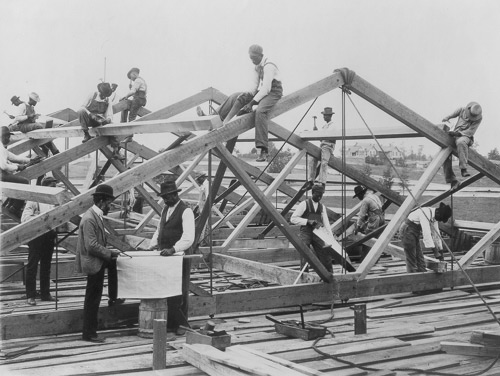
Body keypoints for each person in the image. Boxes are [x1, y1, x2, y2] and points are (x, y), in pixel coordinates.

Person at [197, 44, 282, 162]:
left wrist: (252, 103)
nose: (252, 60)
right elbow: (254, 87)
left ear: (261, 55)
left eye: (254, 58)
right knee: (234, 96)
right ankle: (212, 118)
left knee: (260, 112)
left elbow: (266, 88)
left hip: (273, 92)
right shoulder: (256, 67)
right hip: (263, 91)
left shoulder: (269, 66)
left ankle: (263, 150)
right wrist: (246, 96)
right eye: (250, 58)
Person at [145, 180, 195, 334]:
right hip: (166, 257)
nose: (165, 199)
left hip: (179, 256)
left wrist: (173, 249)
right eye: (164, 197)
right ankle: (171, 322)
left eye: (168, 196)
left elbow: (188, 237)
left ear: (175, 194)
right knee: (168, 289)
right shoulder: (165, 210)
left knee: (181, 290)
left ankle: (182, 325)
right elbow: (159, 229)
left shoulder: (186, 211)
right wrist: (152, 245)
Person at [76, 184, 122, 343]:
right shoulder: (89, 219)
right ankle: (89, 333)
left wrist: (110, 255)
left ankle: (114, 296)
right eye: (109, 203)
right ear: (102, 201)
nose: (110, 206)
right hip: (93, 263)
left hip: (97, 260)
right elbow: (91, 245)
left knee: (114, 263)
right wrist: (109, 253)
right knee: (92, 299)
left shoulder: (96, 216)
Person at [21, 176, 60, 305]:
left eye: (55, 187)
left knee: (46, 266)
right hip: (36, 236)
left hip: (49, 235)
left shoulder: (55, 201)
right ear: (45, 187)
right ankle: (30, 295)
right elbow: (25, 218)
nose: (54, 189)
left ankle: (45, 293)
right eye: (52, 187)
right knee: (32, 266)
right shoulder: (34, 200)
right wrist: (39, 217)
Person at [290, 184, 334, 273]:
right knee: (305, 250)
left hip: (318, 232)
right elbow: (293, 219)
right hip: (306, 232)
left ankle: (329, 274)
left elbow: (326, 223)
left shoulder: (322, 207)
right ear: (312, 193)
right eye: (317, 194)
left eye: (321, 195)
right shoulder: (304, 204)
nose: (319, 197)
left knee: (324, 251)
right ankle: (304, 273)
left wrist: (330, 238)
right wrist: (307, 221)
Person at [399, 203, 452, 273]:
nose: (438, 221)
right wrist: (435, 252)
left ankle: (422, 274)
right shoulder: (425, 213)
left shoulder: (435, 216)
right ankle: (413, 278)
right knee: (412, 258)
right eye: (440, 219)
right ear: (438, 213)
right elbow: (426, 233)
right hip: (407, 230)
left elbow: (436, 235)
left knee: (420, 258)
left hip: (415, 231)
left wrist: (441, 251)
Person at [78, 82, 124, 160]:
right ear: (99, 91)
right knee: (80, 111)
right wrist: (90, 114)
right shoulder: (92, 95)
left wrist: (107, 120)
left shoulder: (107, 100)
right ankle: (86, 134)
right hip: (89, 119)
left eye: (105, 96)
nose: (103, 97)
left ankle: (116, 151)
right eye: (102, 95)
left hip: (99, 120)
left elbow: (109, 114)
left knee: (112, 127)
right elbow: (82, 107)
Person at [0, 126, 38, 219]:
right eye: (7, 137)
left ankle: (11, 206)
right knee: (24, 182)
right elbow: (4, 166)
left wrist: (30, 160)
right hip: (1, 175)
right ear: (2, 136)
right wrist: (18, 167)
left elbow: (14, 157)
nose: (8, 139)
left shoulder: (3, 148)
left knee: (15, 182)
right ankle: (15, 208)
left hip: (3, 174)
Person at [441, 102, 482, 188]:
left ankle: (463, 169)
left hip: (466, 136)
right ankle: (452, 179)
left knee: (461, 142)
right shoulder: (462, 109)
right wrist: (447, 117)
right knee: (443, 151)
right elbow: (453, 114)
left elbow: (470, 131)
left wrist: (457, 133)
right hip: (455, 134)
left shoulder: (478, 118)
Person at [306, 107, 336, 189]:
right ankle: (310, 181)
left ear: (329, 116)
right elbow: (322, 139)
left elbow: (331, 139)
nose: (323, 117)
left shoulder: (333, 126)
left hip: (328, 146)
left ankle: (322, 182)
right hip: (323, 146)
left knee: (324, 162)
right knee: (312, 157)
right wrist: (317, 133)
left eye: (324, 115)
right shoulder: (325, 126)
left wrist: (319, 134)